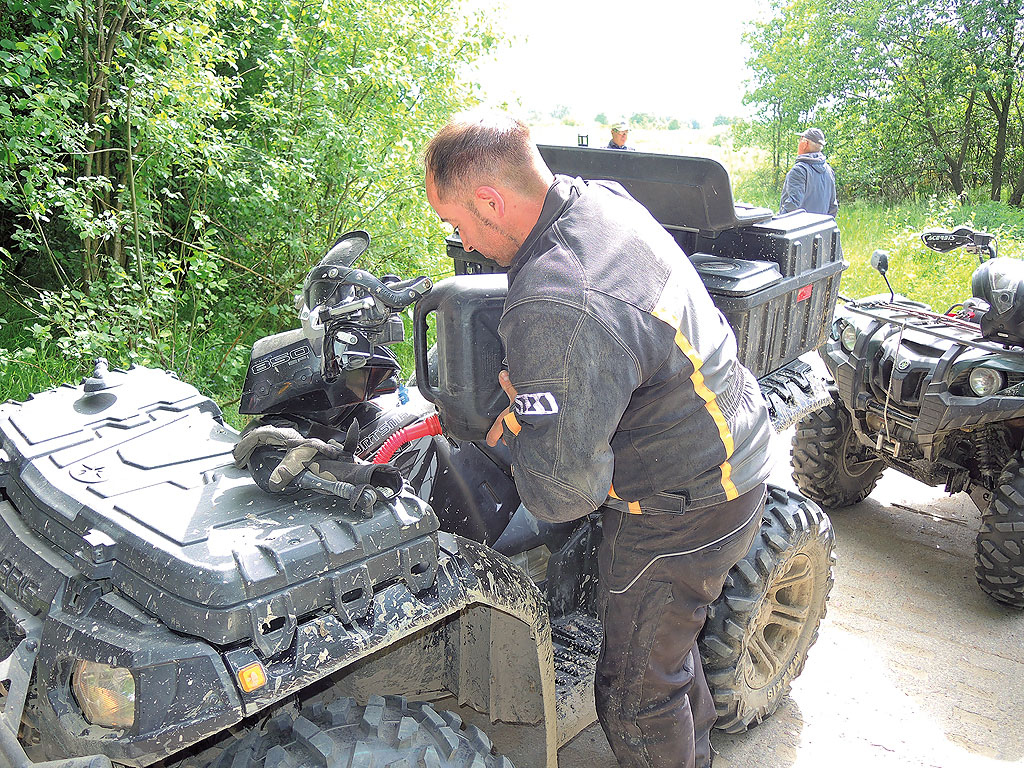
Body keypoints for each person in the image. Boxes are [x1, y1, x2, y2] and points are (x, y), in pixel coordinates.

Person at [423, 113, 773, 768]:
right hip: (735, 446)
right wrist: (551, 391)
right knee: (667, 652)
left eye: (456, 221)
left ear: (491, 202)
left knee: (637, 692)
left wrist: (523, 427)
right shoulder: (597, 200)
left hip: (684, 505)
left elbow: (562, 496)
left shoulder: (558, 297)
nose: (459, 237)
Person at [779, 127, 838, 216]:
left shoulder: (799, 170)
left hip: (799, 228)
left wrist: (778, 223)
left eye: (800, 140)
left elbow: (792, 206)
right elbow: (833, 207)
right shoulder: (829, 171)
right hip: (821, 228)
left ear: (804, 143)